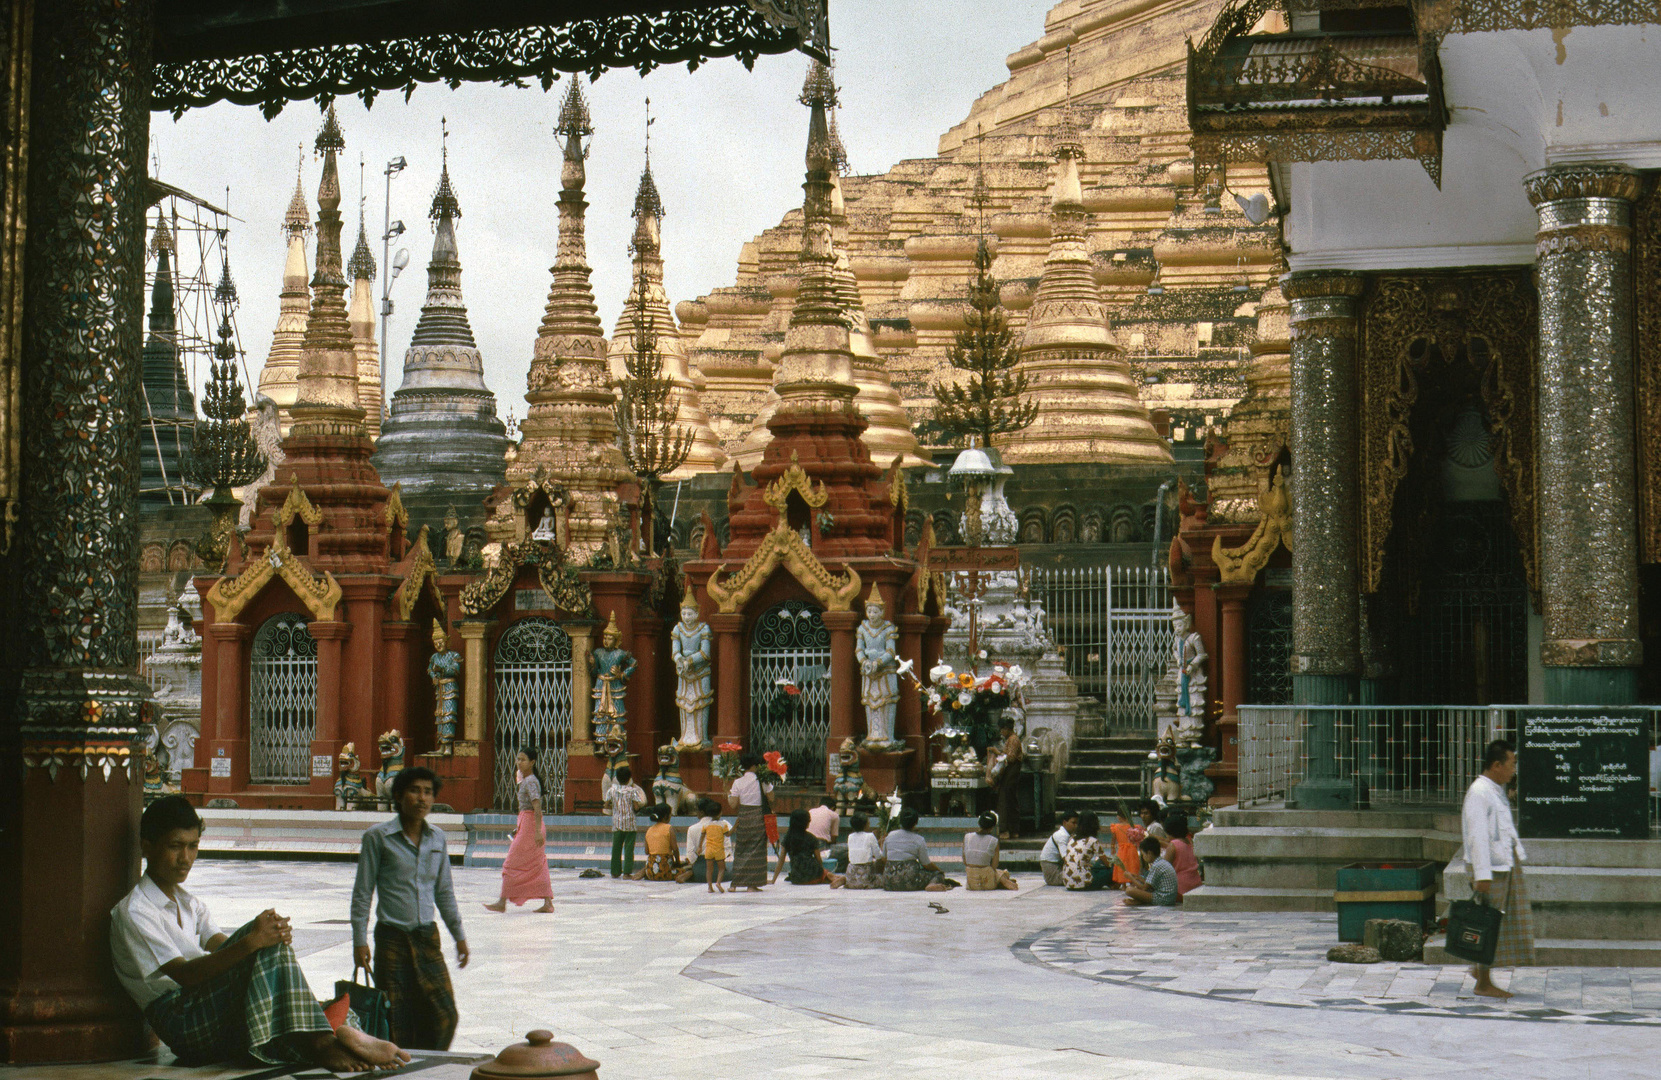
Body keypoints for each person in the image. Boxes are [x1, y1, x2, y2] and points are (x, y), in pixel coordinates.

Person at [110, 797, 410, 1071]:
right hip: (182, 1022)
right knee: (260, 945)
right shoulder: (135, 912)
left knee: (267, 943)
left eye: (193, 846)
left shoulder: (189, 904)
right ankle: (326, 1037)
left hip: (207, 1007)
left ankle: (335, 1031)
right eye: (175, 846)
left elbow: (225, 947)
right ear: (147, 846)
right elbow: (187, 976)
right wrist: (254, 941)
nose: (186, 858)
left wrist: (266, 934)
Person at [351, 766, 469, 1050]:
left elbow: (444, 894)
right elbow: (362, 893)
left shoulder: (438, 839)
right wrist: (359, 942)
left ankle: (425, 1064)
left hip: (426, 939)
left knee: (445, 1015)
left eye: (428, 792)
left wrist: (460, 937)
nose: (422, 798)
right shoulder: (377, 838)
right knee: (395, 1021)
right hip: (391, 940)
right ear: (399, 796)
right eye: (415, 790)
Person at [1462, 738, 1533, 997]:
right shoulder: (1480, 793)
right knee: (1486, 924)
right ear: (1496, 765)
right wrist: (1482, 875)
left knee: (1496, 923)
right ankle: (1483, 983)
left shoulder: (1495, 790)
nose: (1514, 769)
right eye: (1512, 764)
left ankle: (1480, 971)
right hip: (1489, 869)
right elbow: (1477, 836)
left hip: (1502, 864)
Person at [484, 748, 554, 913]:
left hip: (532, 827)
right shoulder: (528, 780)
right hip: (527, 824)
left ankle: (502, 902)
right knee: (538, 863)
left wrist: (536, 831)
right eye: (518, 759)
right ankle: (548, 903)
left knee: (510, 863)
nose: (519, 762)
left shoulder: (530, 781)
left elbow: (537, 808)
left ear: (532, 762)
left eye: (523, 759)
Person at [726, 753, 774, 891]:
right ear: (754, 766)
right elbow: (771, 798)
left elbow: (733, 804)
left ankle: (735, 884)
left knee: (741, 850)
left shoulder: (737, 782)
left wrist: (727, 793)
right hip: (758, 817)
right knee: (757, 851)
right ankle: (751, 885)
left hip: (744, 817)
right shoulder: (763, 781)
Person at [880, 808, 955, 891]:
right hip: (909, 882)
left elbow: (884, 859)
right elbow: (926, 864)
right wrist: (939, 871)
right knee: (938, 875)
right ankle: (931, 884)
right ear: (916, 822)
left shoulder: (890, 836)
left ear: (900, 821)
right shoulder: (919, 839)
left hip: (889, 882)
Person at [603, 764, 647, 878]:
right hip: (630, 823)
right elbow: (637, 807)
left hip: (617, 822)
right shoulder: (633, 791)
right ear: (629, 779)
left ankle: (615, 871)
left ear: (617, 778)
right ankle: (627, 872)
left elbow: (606, 805)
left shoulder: (611, 791)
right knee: (629, 848)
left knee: (616, 848)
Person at [774, 808, 840, 885]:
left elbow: (781, 860)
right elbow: (818, 860)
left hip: (797, 878)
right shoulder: (811, 838)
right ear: (805, 822)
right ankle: (833, 878)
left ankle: (832, 877)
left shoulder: (788, 838)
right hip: (813, 874)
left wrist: (773, 880)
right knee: (826, 875)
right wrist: (822, 871)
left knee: (824, 876)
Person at [987, 717, 1024, 839]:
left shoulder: (1013, 740)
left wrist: (998, 754)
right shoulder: (1010, 739)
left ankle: (1006, 830)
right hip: (1010, 772)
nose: (1001, 732)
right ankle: (1013, 830)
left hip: (1012, 772)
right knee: (1010, 800)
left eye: (1002, 729)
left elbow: (1011, 758)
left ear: (1007, 729)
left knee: (1006, 799)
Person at [963, 812, 1018, 891]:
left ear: (979, 823)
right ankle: (1003, 881)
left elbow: (965, 861)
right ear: (992, 827)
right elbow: (994, 866)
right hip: (987, 881)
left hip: (971, 882)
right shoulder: (994, 841)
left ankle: (1002, 881)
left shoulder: (967, 837)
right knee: (1002, 873)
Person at [1061, 810, 1113, 891]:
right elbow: (1107, 863)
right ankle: (1113, 884)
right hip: (1085, 883)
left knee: (1098, 864)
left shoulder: (1072, 839)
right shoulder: (1092, 841)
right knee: (1112, 870)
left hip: (1068, 882)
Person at [1123, 836, 1179, 906]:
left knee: (1129, 890)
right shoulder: (1161, 862)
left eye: (1143, 854)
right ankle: (1139, 901)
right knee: (1137, 887)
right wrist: (1138, 878)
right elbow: (1150, 884)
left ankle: (1141, 901)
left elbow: (1144, 888)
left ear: (1149, 853)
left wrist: (1131, 878)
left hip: (1163, 899)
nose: (1143, 857)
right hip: (1170, 898)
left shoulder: (1156, 866)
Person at [642, 803, 692, 882]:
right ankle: (680, 877)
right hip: (664, 871)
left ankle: (645, 872)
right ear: (666, 816)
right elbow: (675, 849)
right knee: (690, 871)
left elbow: (646, 851)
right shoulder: (668, 828)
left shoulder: (649, 830)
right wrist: (678, 862)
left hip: (650, 871)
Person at [684, 797, 724, 885]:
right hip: (719, 870)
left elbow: (690, 855)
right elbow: (728, 850)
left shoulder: (692, 829)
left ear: (701, 812)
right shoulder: (724, 825)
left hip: (699, 871)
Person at [1163, 812, 1202, 898]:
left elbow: (1163, 869)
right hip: (1195, 885)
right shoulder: (1189, 841)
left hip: (1180, 889)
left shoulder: (1173, 845)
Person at [840, 814, 882, 890]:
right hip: (865, 873)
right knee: (882, 878)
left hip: (851, 872)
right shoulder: (870, 836)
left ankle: (845, 879)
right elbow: (878, 856)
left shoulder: (850, 836)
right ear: (865, 825)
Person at [1039, 810, 1079, 887]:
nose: (1076, 826)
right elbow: (1065, 858)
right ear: (1064, 822)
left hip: (1057, 865)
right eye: (1073, 823)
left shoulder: (1068, 835)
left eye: (1077, 823)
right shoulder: (1062, 836)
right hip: (1051, 868)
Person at [1109, 802, 1143, 889]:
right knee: (1132, 865)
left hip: (1121, 850)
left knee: (1122, 866)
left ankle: (1123, 884)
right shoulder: (1134, 827)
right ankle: (1132, 883)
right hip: (1132, 849)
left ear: (1118, 817)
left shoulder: (1116, 827)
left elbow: (1113, 840)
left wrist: (1112, 849)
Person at [703, 808, 732, 894]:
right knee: (722, 868)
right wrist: (734, 827)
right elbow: (728, 834)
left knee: (709, 869)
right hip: (718, 849)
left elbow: (702, 836)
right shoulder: (723, 824)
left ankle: (709, 887)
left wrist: (699, 847)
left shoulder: (706, 824)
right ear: (720, 813)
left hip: (708, 849)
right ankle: (718, 882)